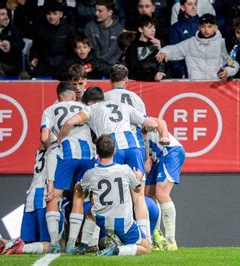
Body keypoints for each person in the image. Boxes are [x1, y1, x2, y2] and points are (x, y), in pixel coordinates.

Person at [58, 86, 169, 245]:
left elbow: (69, 122)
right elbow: (151, 123)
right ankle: (146, 239)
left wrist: (59, 140)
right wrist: (161, 134)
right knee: (138, 196)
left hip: (111, 147)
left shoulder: (91, 109)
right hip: (132, 147)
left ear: (88, 101)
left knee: (99, 196)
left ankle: (92, 242)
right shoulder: (124, 106)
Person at [40, 81, 96, 253]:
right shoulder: (83, 107)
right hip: (88, 154)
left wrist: (53, 146)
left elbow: (44, 137)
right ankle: (73, 242)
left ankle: (55, 242)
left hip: (67, 152)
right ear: (73, 94)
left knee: (53, 196)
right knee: (80, 196)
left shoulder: (49, 110)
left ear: (58, 96)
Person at [76, 134, 152, 256]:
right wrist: (137, 177)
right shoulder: (125, 169)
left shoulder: (90, 173)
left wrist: (78, 185)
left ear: (97, 152)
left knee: (92, 212)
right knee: (146, 248)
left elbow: (79, 188)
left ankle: (83, 245)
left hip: (101, 219)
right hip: (123, 223)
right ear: (115, 151)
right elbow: (137, 190)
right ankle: (117, 250)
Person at [156, 13, 240, 80]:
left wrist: (227, 71)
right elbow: (175, 49)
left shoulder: (222, 44)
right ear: (199, 27)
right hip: (195, 86)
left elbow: (234, 64)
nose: (206, 29)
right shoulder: (191, 43)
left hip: (215, 86)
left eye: (210, 27)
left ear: (215, 28)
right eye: (203, 26)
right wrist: (164, 52)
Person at [145, 124, 185, 251]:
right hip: (157, 158)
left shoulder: (137, 116)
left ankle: (170, 240)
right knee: (147, 196)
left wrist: (165, 136)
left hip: (169, 151)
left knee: (161, 193)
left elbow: (159, 121)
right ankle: (157, 237)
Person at [29, 2, 76, 78]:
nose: (51, 17)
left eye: (54, 13)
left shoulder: (69, 29)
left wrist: (67, 64)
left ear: (61, 14)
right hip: (44, 63)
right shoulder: (40, 29)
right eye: (48, 14)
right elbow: (35, 46)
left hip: (63, 64)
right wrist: (33, 57)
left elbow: (72, 51)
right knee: (34, 80)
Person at [125, 15, 170, 81]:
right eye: (149, 27)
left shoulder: (159, 43)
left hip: (161, 82)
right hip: (142, 84)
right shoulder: (133, 47)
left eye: (154, 27)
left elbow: (167, 66)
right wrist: (153, 78)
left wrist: (161, 50)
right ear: (140, 29)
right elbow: (133, 70)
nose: (153, 30)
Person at [168, 0, 199, 79]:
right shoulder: (176, 28)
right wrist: (182, 72)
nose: (193, 7)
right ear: (182, 7)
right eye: (189, 4)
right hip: (187, 74)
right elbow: (174, 53)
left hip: (206, 73)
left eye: (195, 4)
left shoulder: (204, 25)